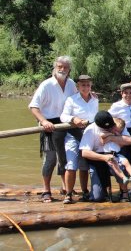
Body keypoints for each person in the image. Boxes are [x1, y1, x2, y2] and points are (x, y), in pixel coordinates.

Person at [29, 56, 77, 202]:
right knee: (50, 159)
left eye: (65, 67)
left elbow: (77, 100)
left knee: (64, 157)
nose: (62, 69)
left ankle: (65, 187)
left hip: (66, 123)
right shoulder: (46, 85)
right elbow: (33, 106)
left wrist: (89, 96)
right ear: (55, 67)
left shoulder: (71, 84)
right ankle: (46, 190)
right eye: (59, 67)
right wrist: (43, 121)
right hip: (49, 124)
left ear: (69, 70)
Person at [60, 75, 98, 204]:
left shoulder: (95, 99)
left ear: (91, 86)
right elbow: (63, 116)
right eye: (83, 85)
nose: (85, 87)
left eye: (88, 85)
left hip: (88, 135)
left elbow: (95, 118)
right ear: (78, 86)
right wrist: (73, 119)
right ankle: (68, 193)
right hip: (73, 134)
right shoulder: (71, 100)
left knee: (84, 166)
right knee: (71, 165)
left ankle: (85, 191)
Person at [80, 111, 131, 202]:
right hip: (97, 159)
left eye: (110, 126)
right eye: (106, 128)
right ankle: (104, 190)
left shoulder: (117, 123)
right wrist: (104, 158)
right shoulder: (90, 129)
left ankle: (124, 192)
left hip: (113, 156)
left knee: (121, 163)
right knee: (97, 198)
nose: (109, 129)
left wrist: (111, 137)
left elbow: (129, 141)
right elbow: (85, 153)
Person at [108, 83, 131, 199]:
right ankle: (124, 191)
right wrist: (115, 132)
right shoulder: (116, 106)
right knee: (123, 162)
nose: (128, 95)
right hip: (122, 136)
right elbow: (108, 119)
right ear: (121, 94)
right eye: (125, 93)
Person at [101, 118, 131, 185]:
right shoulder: (106, 132)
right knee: (115, 165)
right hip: (108, 154)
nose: (116, 132)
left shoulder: (119, 136)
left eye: (119, 131)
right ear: (112, 127)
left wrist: (118, 136)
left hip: (117, 154)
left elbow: (124, 144)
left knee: (126, 161)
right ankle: (124, 177)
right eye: (115, 130)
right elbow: (102, 137)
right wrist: (111, 135)